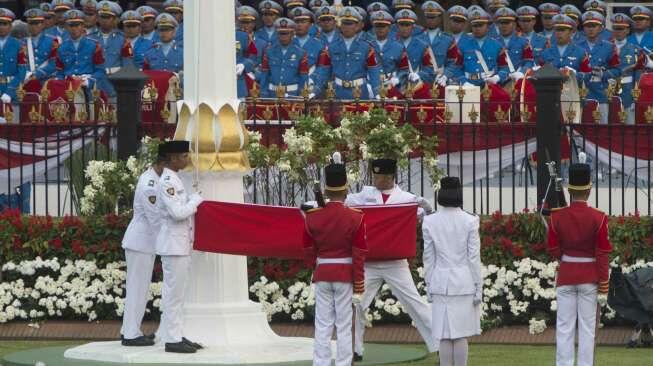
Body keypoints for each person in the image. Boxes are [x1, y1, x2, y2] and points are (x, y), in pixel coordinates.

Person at [345, 158, 436, 361]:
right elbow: (344, 201)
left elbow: (426, 216)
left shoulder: (405, 198)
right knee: (357, 304)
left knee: (415, 303)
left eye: (381, 177)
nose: (377, 180)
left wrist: (425, 206)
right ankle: (355, 349)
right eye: (375, 176)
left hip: (395, 263)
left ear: (390, 177)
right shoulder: (365, 195)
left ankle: (439, 344)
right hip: (369, 263)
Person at [303, 152, 367, 366]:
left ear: (326, 190)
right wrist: (359, 285)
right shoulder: (356, 217)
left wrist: (317, 267)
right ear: (346, 189)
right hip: (345, 275)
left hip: (323, 273)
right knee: (343, 325)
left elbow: (308, 249)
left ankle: (320, 363)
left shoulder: (312, 216)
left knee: (322, 324)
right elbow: (359, 253)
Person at [547, 155, 612, 366]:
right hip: (590, 277)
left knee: (564, 328)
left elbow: (553, 248)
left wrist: (566, 258)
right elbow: (602, 253)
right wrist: (603, 286)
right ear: (589, 189)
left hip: (566, 274)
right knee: (587, 329)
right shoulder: (599, 217)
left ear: (569, 189)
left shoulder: (556, 217)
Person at [422, 176, 481, 366]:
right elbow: (473, 258)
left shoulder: (430, 221)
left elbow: (429, 258)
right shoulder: (470, 221)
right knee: (460, 335)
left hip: (440, 282)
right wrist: (478, 286)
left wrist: (429, 284)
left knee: (444, 336)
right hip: (464, 282)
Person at [155, 140, 204, 354]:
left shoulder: (175, 178)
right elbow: (178, 213)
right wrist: (195, 201)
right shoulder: (168, 181)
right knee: (174, 294)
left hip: (180, 243)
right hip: (173, 245)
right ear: (173, 158)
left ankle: (175, 334)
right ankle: (172, 339)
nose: (187, 159)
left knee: (178, 293)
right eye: (184, 156)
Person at [120, 143, 167, 347]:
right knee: (137, 288)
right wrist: (168, 242)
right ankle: (131, 334)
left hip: (144, 243)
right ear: (161, 163)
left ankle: (130, 330)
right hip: (141, 242)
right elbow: (154, 218)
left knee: (139, 288)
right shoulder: (149, 183)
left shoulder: (156, 179)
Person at [314, 6, 380, 99]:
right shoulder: (331, 47)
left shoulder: (366, 47)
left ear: (357, 25)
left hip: (360, 92)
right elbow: (324, 71)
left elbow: (374, 72)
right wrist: (315, 90)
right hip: (337, 92)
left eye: (350, 24)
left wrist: (377, 92)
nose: (347, 27)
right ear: (340, 25)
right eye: (344, 23)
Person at [577, 10, 620, 124]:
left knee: (600, 132)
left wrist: (604, 74)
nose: (591, 29)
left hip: (601, 95)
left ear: (601, 28)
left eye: (594, 26)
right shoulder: (575, 47)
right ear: (583, 28)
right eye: (587, 26)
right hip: (579, 95)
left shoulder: (609, 47)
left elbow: (617, 69)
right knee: (578, 131)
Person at [456, 7, 508, 88]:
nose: (477, 28)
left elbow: (505, 67)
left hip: (490, 86)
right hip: (469, 85)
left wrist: (497, 77)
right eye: (475, 25)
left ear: (487, 26)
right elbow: (457, 67)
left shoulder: (497, 45)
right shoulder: (463, 44)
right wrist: (464, 82)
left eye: (481, 25)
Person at [258, 17, 309, 97]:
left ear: (292, 34)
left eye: (286, 33)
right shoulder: (268, 51)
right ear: (277, 34)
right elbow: (265, 74)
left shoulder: (301, 53)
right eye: (281, 33)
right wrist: (263, 93)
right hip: (272, 94)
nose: (283, 36)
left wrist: (301, 96)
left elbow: (303, 77)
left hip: (292, 95)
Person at [491, 7, 533, 84]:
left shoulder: (524, 42)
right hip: (497, 81)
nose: (504, 26)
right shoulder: (492, 42)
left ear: (514, 24)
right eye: (501, 23)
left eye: (507, 23)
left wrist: (521, 72)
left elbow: (529, 62)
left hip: (517, 80)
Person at [22, 8, 59, 82]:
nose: (33, 26)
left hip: (46, 81)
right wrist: (27, 74)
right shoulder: (22, 42)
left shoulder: (52, 41)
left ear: (43, 24)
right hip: (27, 80)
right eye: (31, 23)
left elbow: (54, 63)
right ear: (27, 25)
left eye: (36, 23)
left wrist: (37, 74)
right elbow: (20, 63)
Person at [0, 8, 26, 111]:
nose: (1, 27)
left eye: (4, 24)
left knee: (13, 124)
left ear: (10, 26)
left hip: (11, 89)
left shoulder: (18, 45)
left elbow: (22, 71)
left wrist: (9, 92)